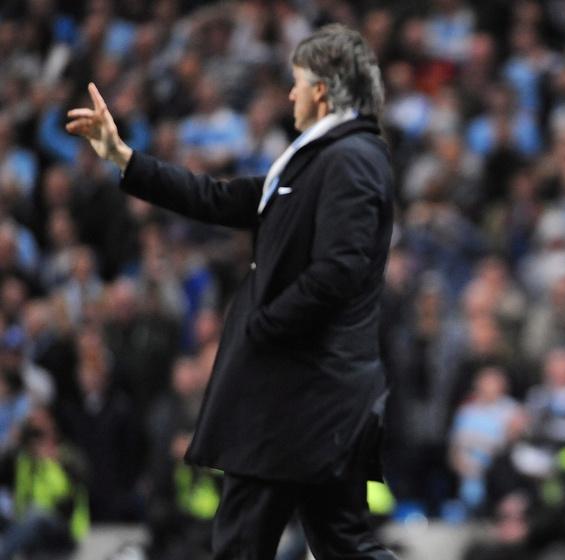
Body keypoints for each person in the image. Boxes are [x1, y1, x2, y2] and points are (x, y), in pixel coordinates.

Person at [66, 24, 397, 559]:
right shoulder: (319, 157)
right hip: (309, 391)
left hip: (298, 391)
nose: (290, 93)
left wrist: (263, 325)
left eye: (298, 81)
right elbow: (221, 199)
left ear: (324, 89)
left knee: (247, 543)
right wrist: (125, 159)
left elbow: (340, 269)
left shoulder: (351, 157)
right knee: (339, 542)